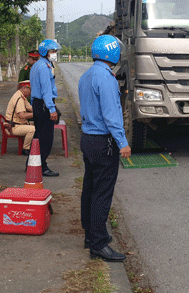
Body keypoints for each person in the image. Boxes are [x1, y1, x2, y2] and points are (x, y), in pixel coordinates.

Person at [78, 35, 132, 262]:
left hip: (88, 138)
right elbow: (111, 115)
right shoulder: (107, 78)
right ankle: (99, 244)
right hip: (103, 142)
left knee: (89, 189)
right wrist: (123, 142)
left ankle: (91, 236)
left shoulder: (86, 75)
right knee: (102, 193)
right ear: (112, 53)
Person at [29, 39, 61, 177]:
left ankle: (31, 164)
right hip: (44, 104)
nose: (54, 54)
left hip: (37, 103)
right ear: (45, 52)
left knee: (38, 136)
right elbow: (46, 91)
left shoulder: (38, 65)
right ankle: (42, 166)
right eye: (52, 51)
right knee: (46, 139)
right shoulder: (44, 67)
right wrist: (52, 109)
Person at [5, 80, 35, 156]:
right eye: (30, 90)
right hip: (13, 127)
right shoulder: (19, 99)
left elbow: (30, 108)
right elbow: (22, 115)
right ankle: (26, 149)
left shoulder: (21, 96)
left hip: (16, 124)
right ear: (25, 88)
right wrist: (36, 114)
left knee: (36, 124)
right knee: (32, 129)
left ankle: (34, 145)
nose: (31, 93)